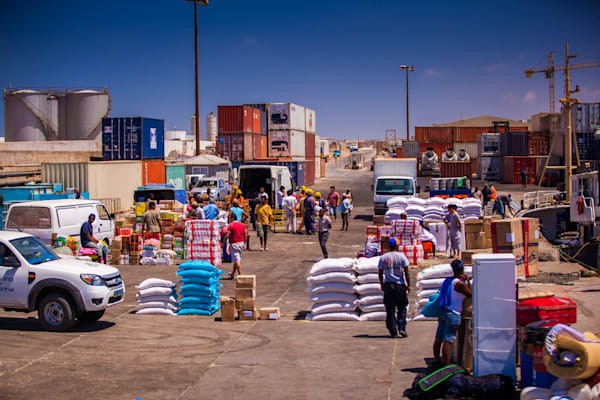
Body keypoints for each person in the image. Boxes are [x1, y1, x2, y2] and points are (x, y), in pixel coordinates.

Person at [433, 260, 472, 364]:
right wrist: (468, 281)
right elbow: (470, 294)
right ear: (462, 270)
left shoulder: (448, 280)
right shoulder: (460, 284)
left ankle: (437, 360)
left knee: (439, 337)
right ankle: (446, 364)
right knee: (448, 340)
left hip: (443, 310)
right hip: (452, 313)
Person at [378, 237, 410, 338]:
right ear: (397, 246)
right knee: (401, 307)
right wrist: (408, 284)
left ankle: (393, 331)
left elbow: (380, 272)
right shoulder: (401, 257)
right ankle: (401, 328)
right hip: (399, 285)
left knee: (390, 308)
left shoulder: (384, 257)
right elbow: (406, 271)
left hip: (388, 285)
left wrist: (382, 283)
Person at [224, 213, 247, 279]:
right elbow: (245, 234)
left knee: (237, 260)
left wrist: (223, 243)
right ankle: (232, 274)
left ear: (232, 218)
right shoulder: (242, 225)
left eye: (229, 218)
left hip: (234, 243)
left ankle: (240, 274)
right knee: (236, 259)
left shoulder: (231, 225)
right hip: (241, 243)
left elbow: (227, 235)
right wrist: (244, 243)